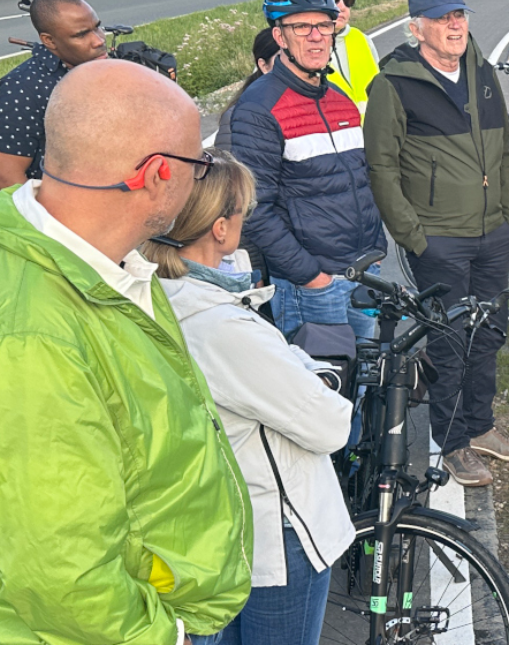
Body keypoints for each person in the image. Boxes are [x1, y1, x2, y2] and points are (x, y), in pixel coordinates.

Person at [0, 60, 251, 645]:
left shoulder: (99, 266)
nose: (200, 178)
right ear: (156, 174)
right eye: (196, 164)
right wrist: (168, 635)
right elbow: (62, 573)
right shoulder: (34, 342)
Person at [145, 148, 355, 645]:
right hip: (276, 532)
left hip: (214, 525)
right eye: (242, 211)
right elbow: (330, 426)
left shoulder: (157, 295)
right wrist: (311, 373)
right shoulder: (221, 326)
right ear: (221, 227)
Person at [365, 0, 509, 487]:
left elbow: (502, 146)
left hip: (490, 233)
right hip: (438, 238)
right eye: (442, 19)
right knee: (450, 340)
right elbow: (381, 167)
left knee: (489, 333)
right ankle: (452, 442)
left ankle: (481, 427)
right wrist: (416, 237)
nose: (456, 25)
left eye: (459, 15)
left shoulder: (481, 72)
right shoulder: (395, 84)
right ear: (417, 29)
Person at [231, 0, 386, 338]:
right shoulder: (259, 107)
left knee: (366, 380)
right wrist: (310, 276)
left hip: (365, 271)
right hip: (314, 285)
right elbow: (253, 208)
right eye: (301, 26)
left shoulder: (340, 100)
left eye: (323, 25)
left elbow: (362, 178)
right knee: (321, 389)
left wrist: (376, 249)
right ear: (280, 37)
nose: (316, 36)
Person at [0, 0, 107, 189]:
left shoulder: (101, 67)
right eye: (82, 35)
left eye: (97, 27)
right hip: (63, 212)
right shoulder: (21, 89)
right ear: (49, 41)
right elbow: (4, 175)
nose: (99, 40)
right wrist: (49, 218)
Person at [304, 0, 381, 118]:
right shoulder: (292, 45)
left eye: (348, 1)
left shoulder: (361, 40)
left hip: (369, 139)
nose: (342, 6)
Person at [213, 28, 282, 150]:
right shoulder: (238, 117)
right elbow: (229, 167)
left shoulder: (316, 104)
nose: (293, 66)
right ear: (263, 65)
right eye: (282, 59)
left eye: (295, 58)